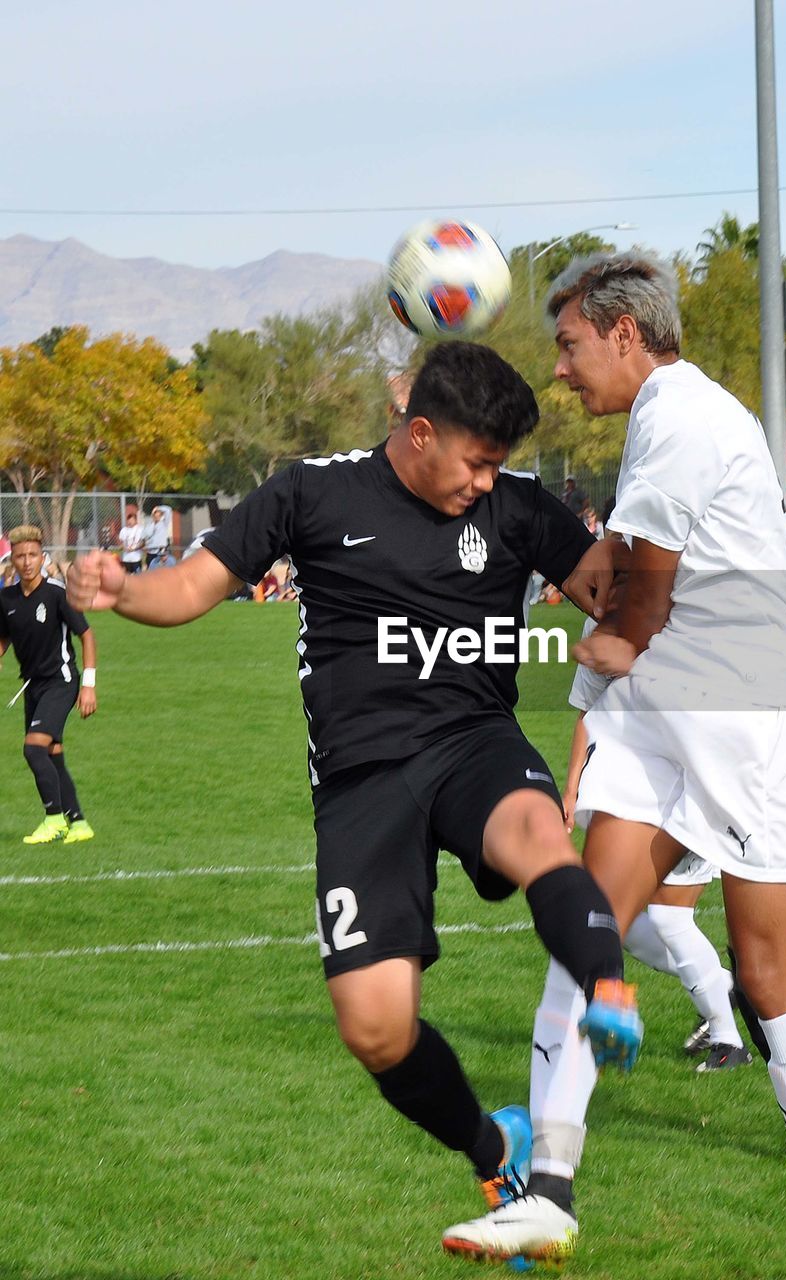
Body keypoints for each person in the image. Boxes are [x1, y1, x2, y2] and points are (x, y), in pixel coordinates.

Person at [67, 341, 630, 1239]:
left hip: (474, 741)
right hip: (362, 780)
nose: (487, 482)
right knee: (374, 1028)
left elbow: (618, 594)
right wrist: (123, 593)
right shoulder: (312, 493)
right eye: (476, 462)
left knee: (535, 833)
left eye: (499, 465)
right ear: (419, 434)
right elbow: (189, 587)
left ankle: (609, 990)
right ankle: (495, 1155)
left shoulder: (518, 509)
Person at [442, 252, 786, 1279]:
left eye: (568, 344)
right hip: (671, 710)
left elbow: (639, 599)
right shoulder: (658, 423)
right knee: (582, 929)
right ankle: (547, 1190)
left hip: (753, 720)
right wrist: (605, 662)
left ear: (625, 334)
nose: (561, 370)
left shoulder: (684, 417)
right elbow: (625, 596)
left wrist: (604, 653)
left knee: (772, 975)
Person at [562, 616, 749, 1072]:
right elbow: (587, 713)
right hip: (625, 794)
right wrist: (571, 790)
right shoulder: (599, 626)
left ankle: (728, 1037)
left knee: (669, 917)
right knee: (606, 925)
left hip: (688, 783)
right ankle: (721, 986)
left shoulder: (687, 615)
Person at [0, 526, 96, 844]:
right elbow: (4, 637)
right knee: (52, 755)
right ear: (11, 560)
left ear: (42, 557)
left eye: (32, 555)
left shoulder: (57, 594)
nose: (26, 562)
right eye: (20, 556)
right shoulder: (6, 598)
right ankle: (79, 824)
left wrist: (89, 686)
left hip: (62, 681)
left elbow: (87, 635)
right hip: (32, 686)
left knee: (33, 749)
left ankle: (53, 819)